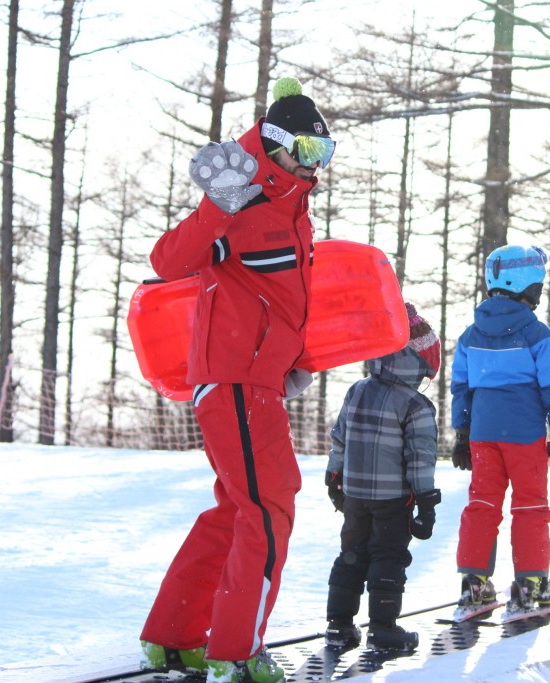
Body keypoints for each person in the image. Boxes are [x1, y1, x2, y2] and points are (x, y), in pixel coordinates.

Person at [139, 77, 335, 683]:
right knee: (271, 504)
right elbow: (168, 262)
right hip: (233, 380)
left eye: (324, 154)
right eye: (306, 152)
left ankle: (173, 639)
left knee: (239, 507)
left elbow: (277, 299)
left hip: (257, 379)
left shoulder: (292, 209)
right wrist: (214, 207)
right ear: (275, 145)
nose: (315, 166)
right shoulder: (242, 198)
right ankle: (236, 653)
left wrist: (289, 363)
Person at [450, 244, 550, 615]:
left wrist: (462, 432)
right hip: (524, 435)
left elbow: (462, 387)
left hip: (483, 435)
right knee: (530, 505)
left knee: (482, 505)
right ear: (526, 286)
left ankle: (474, 584)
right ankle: (531, 584)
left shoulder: (471, 335)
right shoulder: (537, 334)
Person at [322, 303, 442, 652]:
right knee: (388, 555)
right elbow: (420, 459)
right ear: (418, 362)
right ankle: (383, 628)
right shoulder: (415, 406)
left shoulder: (357, 390)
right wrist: (425, 501)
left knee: (352, 554)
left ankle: (339, 625)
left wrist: (334, 475)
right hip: (393, 501)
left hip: (356, 496)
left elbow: (339, 437)